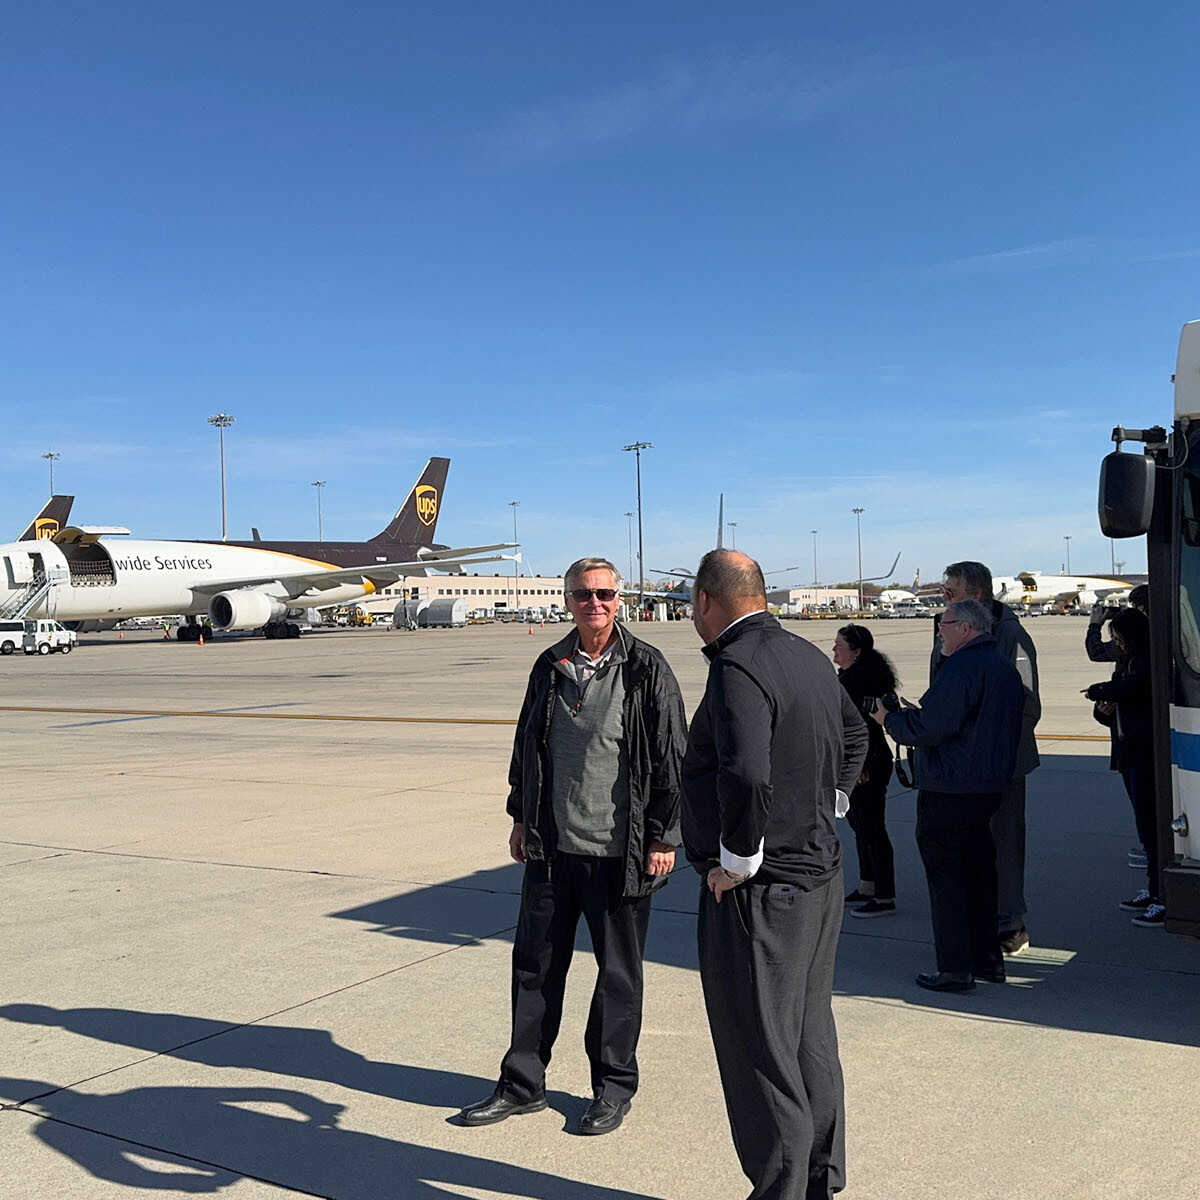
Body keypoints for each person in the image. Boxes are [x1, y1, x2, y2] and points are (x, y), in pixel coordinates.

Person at [459, 556, 687, 1136]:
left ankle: (612, 1087)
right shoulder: (549, 664)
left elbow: (671, 758)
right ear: (567, 601)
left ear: (620, 600)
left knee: (617, 977)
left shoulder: (646, 668)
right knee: (534, 969)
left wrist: (664, 835)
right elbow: (526, 747)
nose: (595, 604)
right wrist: (520, 818)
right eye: (584, 594)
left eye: (605, 594)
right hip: (552, 850)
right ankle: (522, 1084)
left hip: (623, 853)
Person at [681, 549, 868, 1199]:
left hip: (765, 894)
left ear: (707, 600)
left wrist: (737, 859)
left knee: (760, 1050)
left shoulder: (738, 666)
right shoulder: (807, 655)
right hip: (818, 877)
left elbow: (747, 772)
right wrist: (830, 801)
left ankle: (782, 1189)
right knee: (809, 1036)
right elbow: (855, 735)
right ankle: (819, 1179)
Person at [878, 598, 1024, 993]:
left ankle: (955, 968)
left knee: (947, 878)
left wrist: (889, 719)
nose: (939, 631)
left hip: (952, 787)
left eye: (943, 623)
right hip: (986, 785)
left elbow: (931, 729)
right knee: (980, 875)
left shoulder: (961, 667)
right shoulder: (1003, 668)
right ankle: (987, 962)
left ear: (965, 627)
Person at [933, 561, 1040, 955]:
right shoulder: (946, 628)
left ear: (976, 595)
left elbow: (1027, 704)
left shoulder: (1010, 635)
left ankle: (1011, 923)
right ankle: (978, 918)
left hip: (1001, 762)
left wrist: (988, 745)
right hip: (962, 764)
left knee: (1004, 842)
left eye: (951, 593)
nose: (943, 599)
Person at [1086, 608, 1163, 926]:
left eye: (1118, 638)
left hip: (1145, 755)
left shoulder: (1147, 665)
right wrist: (1103, 710)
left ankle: (1163, 896)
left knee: (1152, 827)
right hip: (1129, 754)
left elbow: (1132, 689)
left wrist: (1101, 690)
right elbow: (1114, 708)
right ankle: (1154, 888)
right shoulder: (1126, 667)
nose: (1115, 644)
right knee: (1145, 829)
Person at [832, 624, 899, 917]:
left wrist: (860, 765)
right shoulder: (851, 677)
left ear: (856, 653)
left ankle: (884, 896)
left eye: (839, 646)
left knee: (873, 829)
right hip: (863, 762)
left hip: (867, 763)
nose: (834, 650)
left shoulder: (858, 683)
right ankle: (868, 885)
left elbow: (863, 730)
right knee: (860, 827)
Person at [1086, 584, 1150, 870]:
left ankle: (1152, 849)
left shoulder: (1141, 644)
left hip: (1138, 738)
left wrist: (1094, 625)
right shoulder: (1141, 644)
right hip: (1126, 732)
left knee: (1146, 802)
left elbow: (1096, 652)